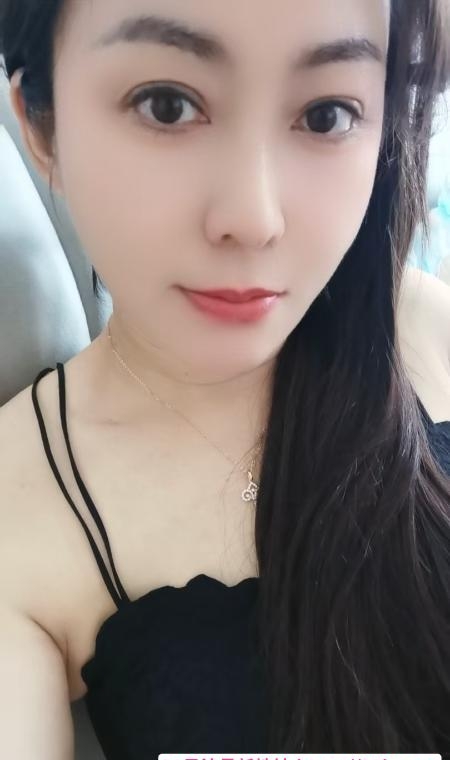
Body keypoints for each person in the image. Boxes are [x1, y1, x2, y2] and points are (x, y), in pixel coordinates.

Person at [0, 0, 449, 758]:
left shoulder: (427, 329)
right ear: (42, 125)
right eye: (166, 105)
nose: (254, 217)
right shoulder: (24, 508)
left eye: (328, 115)